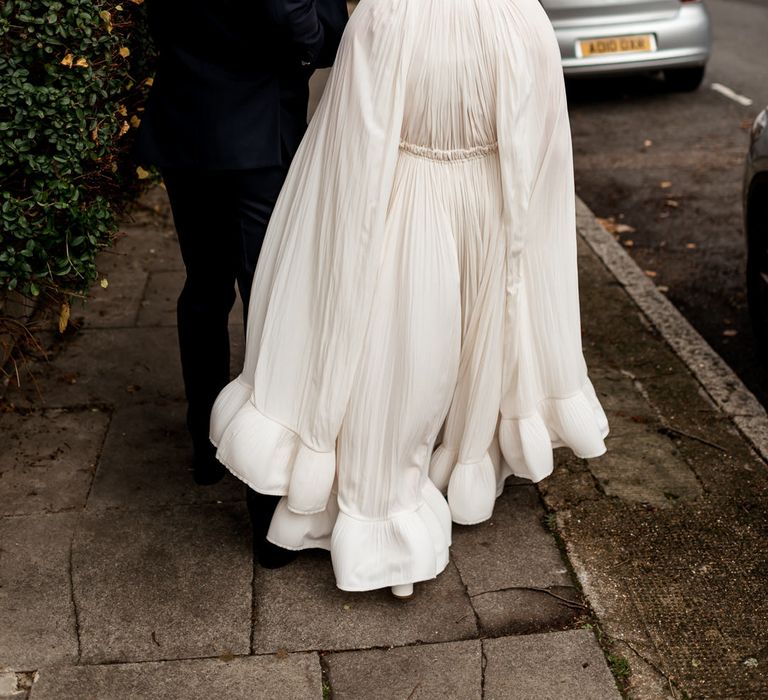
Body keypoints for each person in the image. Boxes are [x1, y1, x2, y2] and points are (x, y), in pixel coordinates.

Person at [211, 0, 610, 598]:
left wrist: (341, 255)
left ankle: (387, 503)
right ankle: (425, 494)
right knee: (462, 351)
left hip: (406, 206)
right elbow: (547, 152)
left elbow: (349, 147)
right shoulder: (522, 18)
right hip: (490, 208)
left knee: (399, 360)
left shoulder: (387, 17)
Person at [134, 0, 348, 567]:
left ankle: (205, 446)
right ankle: (265, 510)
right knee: (268, 304)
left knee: (204, 287)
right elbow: (290, 13)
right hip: (256, 125)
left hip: (187, 119)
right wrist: (313, 42)